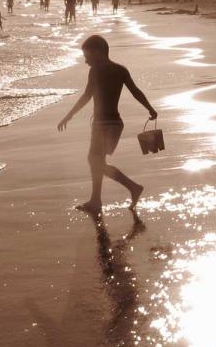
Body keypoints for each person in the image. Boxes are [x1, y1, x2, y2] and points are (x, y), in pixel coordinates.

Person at [57, 34, 157, 217]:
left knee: (95, 161)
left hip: (102, 124)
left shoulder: (96, 71)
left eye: (87, 56)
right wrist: (150, 108)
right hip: (116, 123)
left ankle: (131, 188)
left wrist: (69, 115)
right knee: (97, 161)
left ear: (98, 52)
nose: (86, 61)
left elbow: (87, 96)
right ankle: (97, 200)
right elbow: (135, 91)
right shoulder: (120, 70)